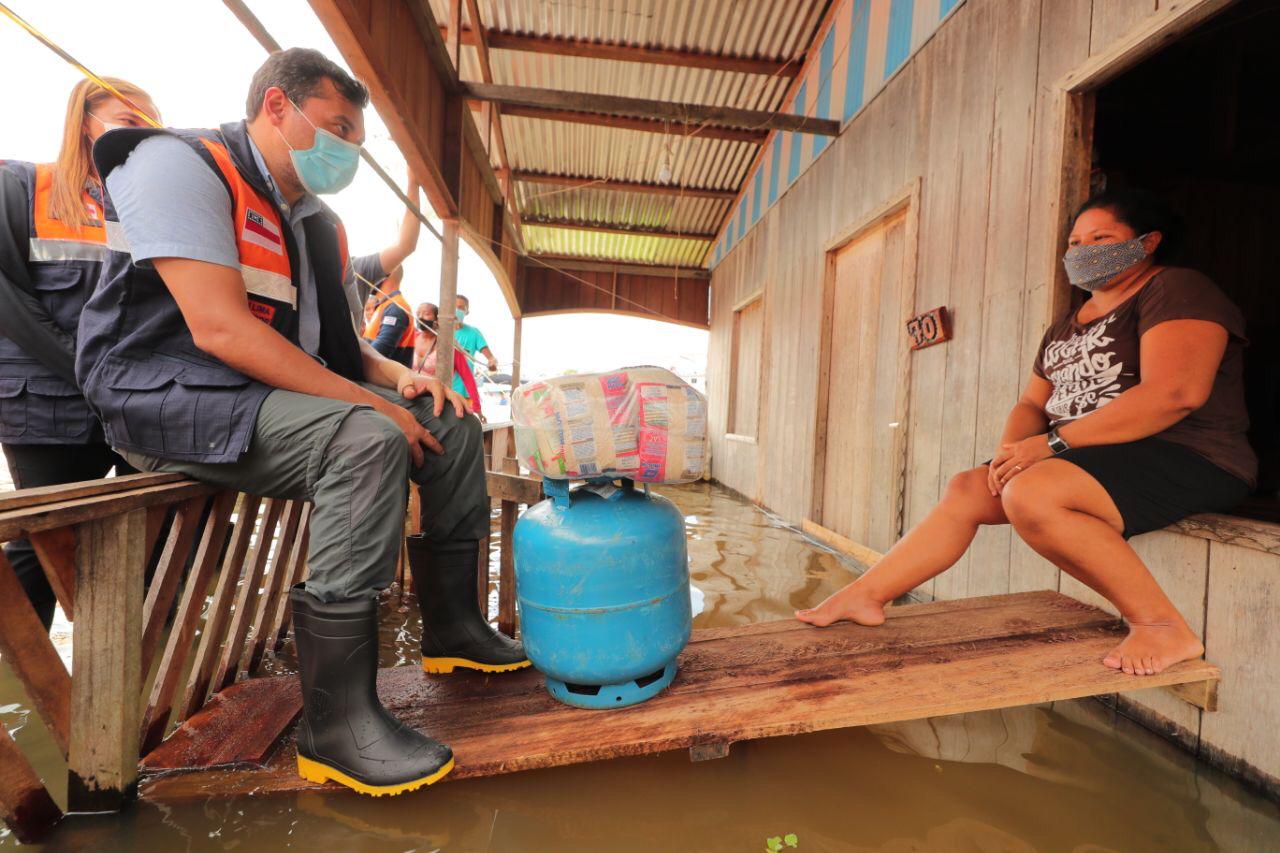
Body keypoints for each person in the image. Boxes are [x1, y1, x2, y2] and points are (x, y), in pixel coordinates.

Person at [77, 48, 526, 797]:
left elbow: (339, 349)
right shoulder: (177, 164)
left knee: (449, 425)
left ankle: (456, 632)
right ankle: (336, 723)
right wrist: (373, 405)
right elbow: (220, 330)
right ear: (277, 107)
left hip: (257, 396)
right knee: (368, 436)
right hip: (163, 396)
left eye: (356, 136)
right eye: (336, 127)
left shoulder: (314, 222)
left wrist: (400, 378)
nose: (347, 149)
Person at [797, 187, 1256, 678]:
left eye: (1101, 237)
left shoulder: (1177, 288)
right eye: (1075, 242)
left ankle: (1162, 625)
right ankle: (866, 595)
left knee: (1033, 491)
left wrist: (1053, 445)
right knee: (971, 487)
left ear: (1146, 243)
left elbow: (1175, 393)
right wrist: (1009, 454)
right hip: (1096, 459)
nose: (1083, 251)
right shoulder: (1067, 322)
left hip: (1189, 454)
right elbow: (1032, 403)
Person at [0, 77, 159, 629]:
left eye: (149, 125)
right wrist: (89, 370)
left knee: (156, 538)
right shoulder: (22, 186)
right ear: (83, 120)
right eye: (126, 120)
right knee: (41, 548)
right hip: (46, 405)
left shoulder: (148, 212)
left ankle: (139, 679)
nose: (141, 134)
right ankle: (22, 693)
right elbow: (10, 302)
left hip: (132, 405)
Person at [413, 301, 483, 417]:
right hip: (411, 397)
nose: (420, 317)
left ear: (437, 319)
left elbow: (467, 376)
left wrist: (477, 408)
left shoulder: (449, 346)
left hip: (435, 402)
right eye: (418, 313)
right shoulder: (411, 338)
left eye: (426, 313)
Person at [451, 293, 499, 404]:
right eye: (453, 306)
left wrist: (492, 362)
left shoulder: (473, 333)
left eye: (460, 308)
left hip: (464, 392)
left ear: (467, 312)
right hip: (442, 388)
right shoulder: (438, 331)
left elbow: (491, 358)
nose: (456, 310)